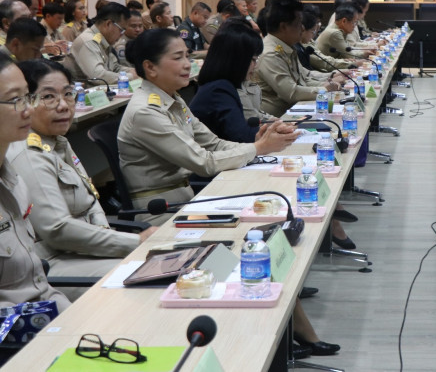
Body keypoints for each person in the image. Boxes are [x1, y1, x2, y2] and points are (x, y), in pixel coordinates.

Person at [187, 21, 338, 358]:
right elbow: (233, 140)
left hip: (218, 174)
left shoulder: (221, 86)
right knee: (266, 224)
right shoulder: (218, 89)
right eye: (252, 59)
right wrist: (261, 139)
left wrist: (264, 132)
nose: (255, 64)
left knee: (277, 208)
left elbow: (231, 136)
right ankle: (291, 330)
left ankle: (291, 310)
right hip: (200, 190)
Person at [8, 60, 156, 300]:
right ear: (27, 102)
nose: (63, 105)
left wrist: (115, 240)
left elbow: (91, 201)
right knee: (150, 275)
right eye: (48, 97)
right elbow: (58, 229)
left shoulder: (57, 142)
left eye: (68, 94)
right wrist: (133, 241)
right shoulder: (29, 154)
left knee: (164, 264)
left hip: (84, 251)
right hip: (55, 263)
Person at [119, 28, 296, 223]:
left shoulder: (173, 98)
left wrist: (259, 142)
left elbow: (214, 144)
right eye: (178, 58)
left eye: (187, 56)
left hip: (187, 199)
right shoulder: (146, 111)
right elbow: (204, 162)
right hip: (160, 213)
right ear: (150, 67)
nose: (187, 64)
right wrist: (258, 148)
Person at [0, 53, 70, 312]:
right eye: (15, 100)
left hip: (42, 315)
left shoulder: (14, 181)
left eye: (28, 97)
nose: (29, 109)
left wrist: (69, 318)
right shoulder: (24, 160)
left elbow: (39, 286)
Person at [253, 0, 344, 117]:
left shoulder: (287, 46)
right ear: (283, 27)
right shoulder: (270, 54)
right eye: (298, 23)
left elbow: (304, 76)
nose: (302, 28)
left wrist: (331, 77)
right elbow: (291, 93)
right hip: (278, 118)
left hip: (294, 110)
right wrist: (323, 89)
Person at [63, 2, 127, 84]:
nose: (122, 35)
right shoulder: (88, 41)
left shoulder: (103, 40)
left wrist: (135, 72)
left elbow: (115, 67)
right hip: (84, 90)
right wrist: (130, 76)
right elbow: (98, 77)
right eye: (121, 30)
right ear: (108, 24)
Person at [299, 5, 357, 72]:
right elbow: (323, 63)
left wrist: (342, 61)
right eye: (317, 22)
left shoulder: (308, 39)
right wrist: (349, 64)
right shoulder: (334, 33)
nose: (319, 25)